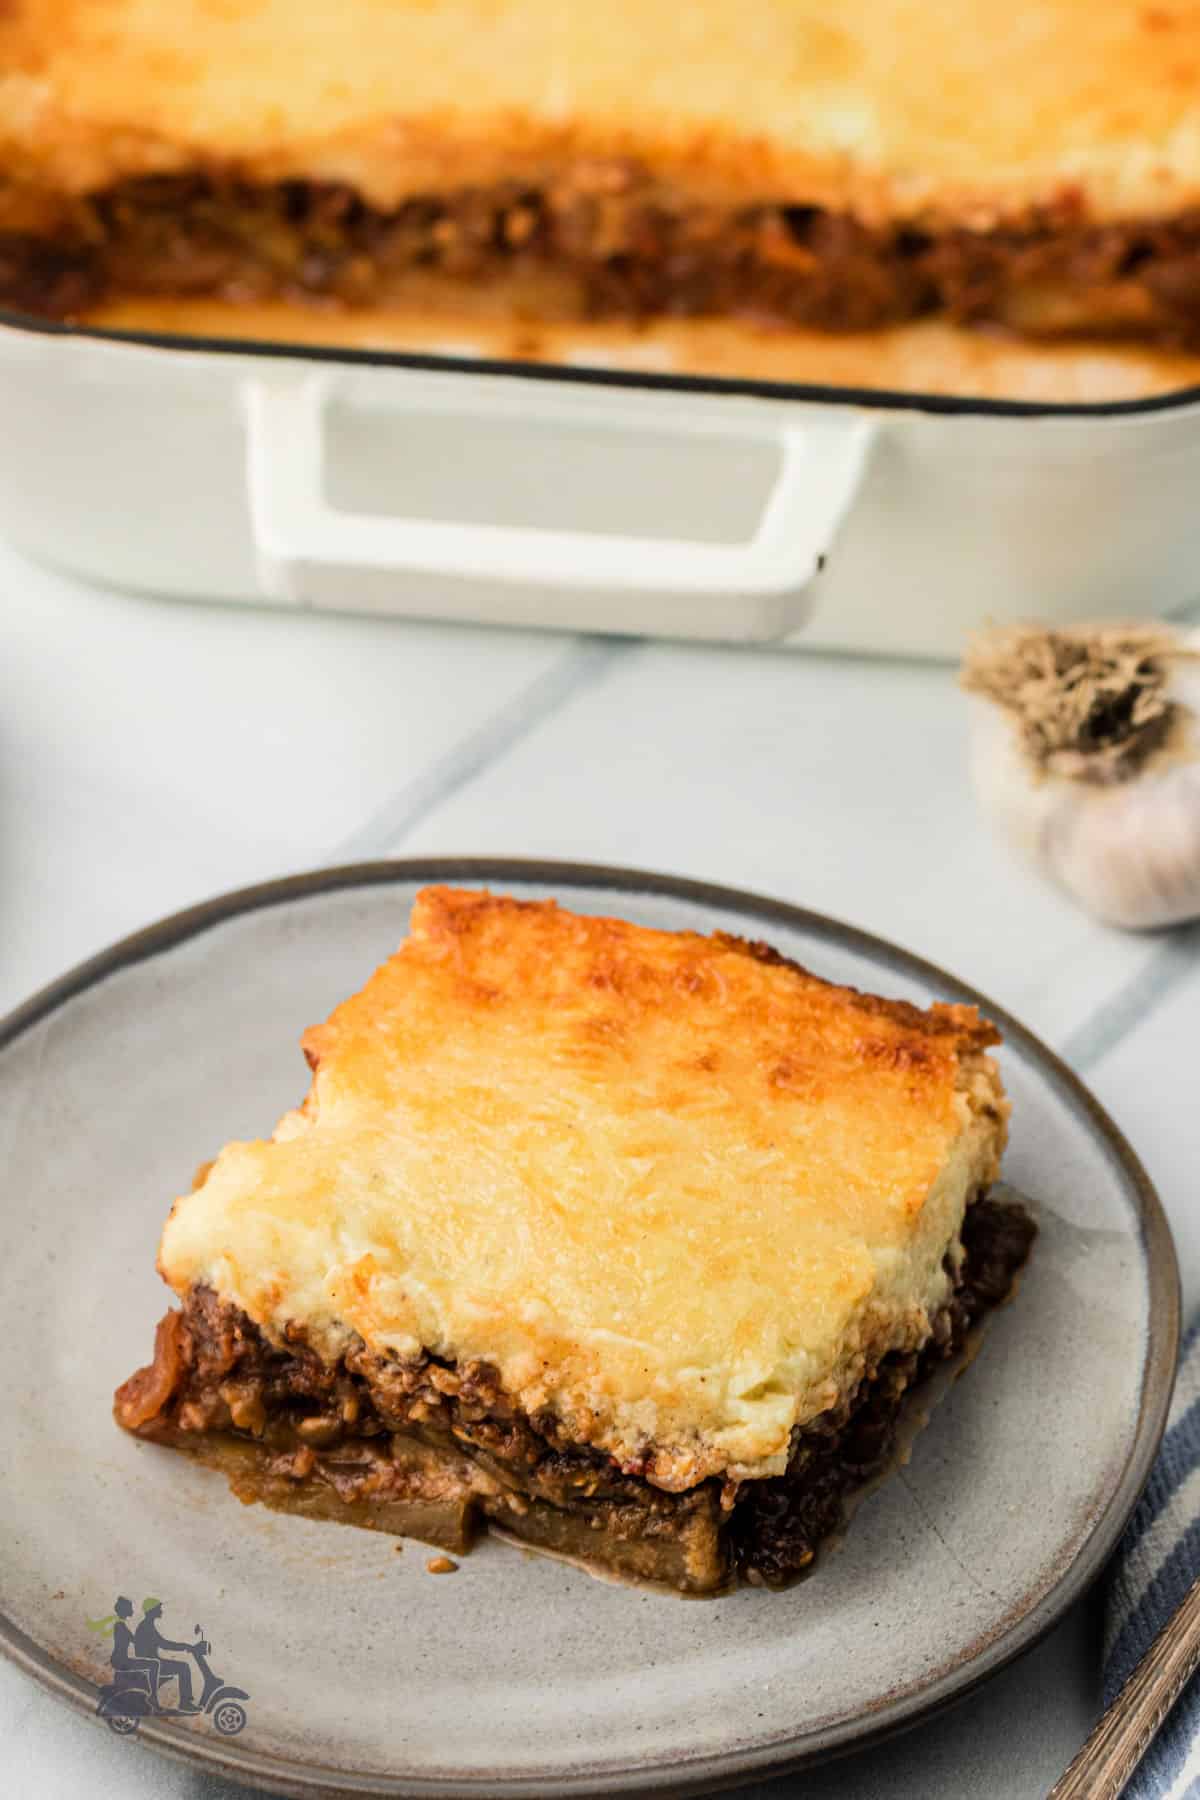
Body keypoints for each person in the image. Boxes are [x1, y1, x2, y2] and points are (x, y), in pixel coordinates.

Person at [133, 1597, 197, 1711]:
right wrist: (185, 1647)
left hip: (152, 1661)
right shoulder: (146, 1627)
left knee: (182, 1667)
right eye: (158, 1608)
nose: (161, 1611)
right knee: (183, 1667)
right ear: (151, 1611)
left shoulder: (147, 1625)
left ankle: (183, 1701)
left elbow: (162, 1643)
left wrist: (185, 1647)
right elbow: (164, 1644)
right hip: (150, 1663)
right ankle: (184, 1703)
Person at [107, 1597, 158, 1697]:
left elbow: (134, 1640)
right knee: (154, 1665)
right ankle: (153, 1696)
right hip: (120, 1660)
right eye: (130, 1608)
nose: (132, 1610)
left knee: (149, 1666)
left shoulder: (121, 1625)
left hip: (119, 1659)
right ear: (125, 1610)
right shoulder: (120, 1626)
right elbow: (135, 1641)